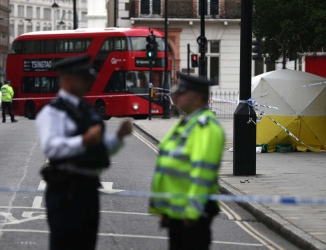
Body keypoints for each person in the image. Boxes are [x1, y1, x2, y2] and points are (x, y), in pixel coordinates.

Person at [35, 54, 132, 250]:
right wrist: (83, 140)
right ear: (68, 79)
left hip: (88, 190)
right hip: (66, 191)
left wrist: (119, 138)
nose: (89, 82)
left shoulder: (87, 110)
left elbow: (100, 148)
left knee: (87, 244)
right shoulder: (53, 111)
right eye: (84, 78)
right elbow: (51, 147)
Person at [149, 72, 225, 250]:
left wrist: (192, 212)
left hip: (192, 215)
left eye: (182, 92)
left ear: (197, 97)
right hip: (177, 212)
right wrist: (166, 211)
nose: (176, 96)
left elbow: (202, 174)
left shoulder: (205, 127)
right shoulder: (186, 122)